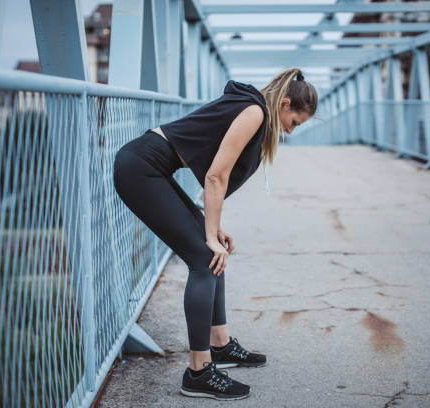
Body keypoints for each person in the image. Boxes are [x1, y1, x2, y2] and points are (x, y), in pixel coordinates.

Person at [113, 67, 317, 400]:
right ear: (286, 103)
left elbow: (213, 178)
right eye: (295, 122)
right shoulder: (254, 111)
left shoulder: (256, 109)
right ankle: (198, 371)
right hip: (139, 169)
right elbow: (215, 176)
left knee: (215, 248)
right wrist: (207, 235)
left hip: (148, 168)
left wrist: (214, 229)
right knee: (205, 257)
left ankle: (220, 346)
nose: (291, 131)